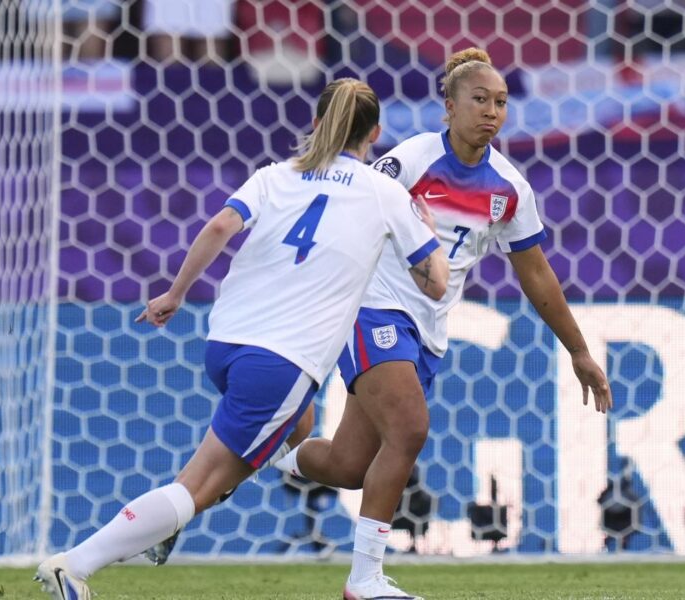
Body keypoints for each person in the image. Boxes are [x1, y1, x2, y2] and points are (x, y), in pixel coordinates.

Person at [146, 47, 613, 600]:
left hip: (427, 332)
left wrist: (578, 350)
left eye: (501, 102)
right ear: (449, 106)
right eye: (479, 99)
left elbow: (536, 273)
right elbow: (346, 209)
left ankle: (259, 457)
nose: (492, 111)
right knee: (410, 429)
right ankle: (364, 578)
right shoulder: (409, 161)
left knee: (347, 466)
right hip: (375, 308)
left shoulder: (509, 189)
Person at [33, 77, 449, 600]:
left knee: (297, 423)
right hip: (283, 360)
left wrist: (175, 294)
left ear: (316, 123)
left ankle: (181, 507)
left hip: (227, 343)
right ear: (375, 135)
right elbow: (435, 283)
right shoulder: (384, 193)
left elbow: (219, 226)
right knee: (198, 486)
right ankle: (75, 565)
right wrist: (428, 233)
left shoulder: (275, 174)